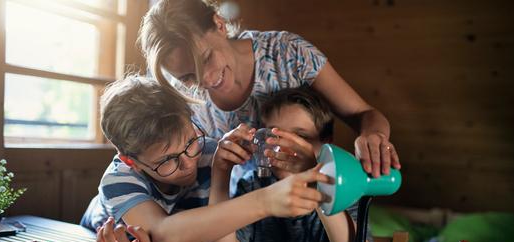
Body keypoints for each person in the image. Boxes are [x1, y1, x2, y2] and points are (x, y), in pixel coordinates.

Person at [138, 0, 401, 189]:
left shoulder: (288, 54)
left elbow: (363, 114)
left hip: (309, 198)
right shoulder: (185, 102)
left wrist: (373, 135)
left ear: (219, 24)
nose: (205, 81)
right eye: (187, 77)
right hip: (241, 219)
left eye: (206, 59)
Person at [81, 75, 330, 242]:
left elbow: (209, 232)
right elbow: (164, 234)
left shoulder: (209, 152)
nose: (189, 163)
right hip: (98, 240)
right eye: (167, 161)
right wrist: (265, 201)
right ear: (131, 161)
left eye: (190, 142)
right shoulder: (119, 180)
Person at [210, 86, 377, 242]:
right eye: (274, 137)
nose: (284, 148)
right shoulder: (252, 186)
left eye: (301, 137)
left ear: (326, 144)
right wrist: (221, 172)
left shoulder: (345, 192)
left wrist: (317, 181)